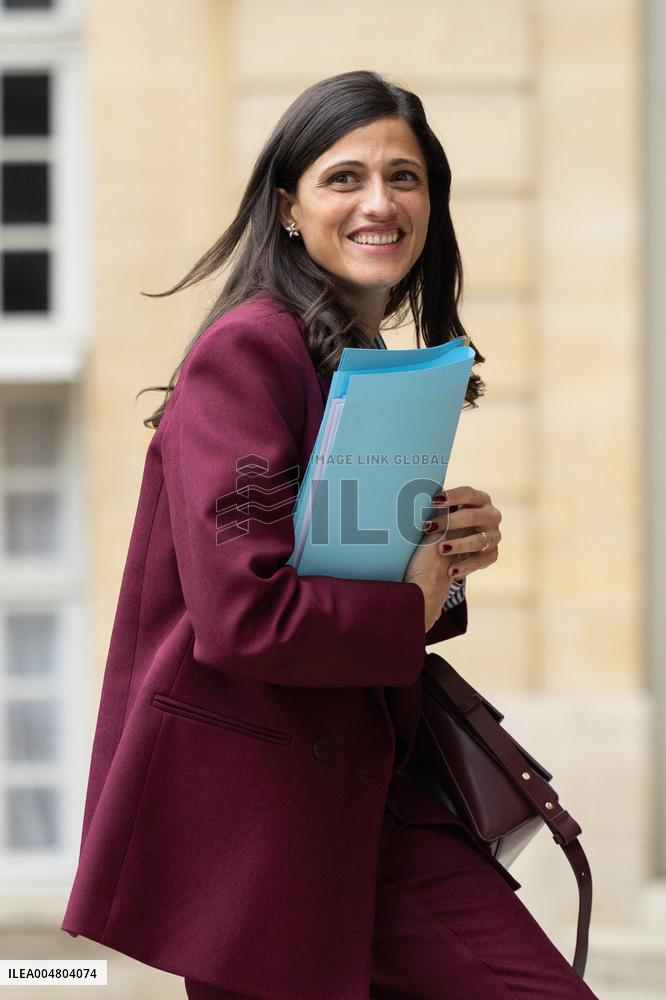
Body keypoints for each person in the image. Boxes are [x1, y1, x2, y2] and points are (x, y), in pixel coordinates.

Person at [60, 70, 598, 1000]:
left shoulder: (357, 357)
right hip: (263, 832)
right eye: (343, 177)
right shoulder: (247, 352)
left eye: (406, 176)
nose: (380, 202)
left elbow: (346, 570)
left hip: (362, 803)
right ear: (289, 208)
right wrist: (414, 598)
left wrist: (449, 553)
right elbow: (246, 615)